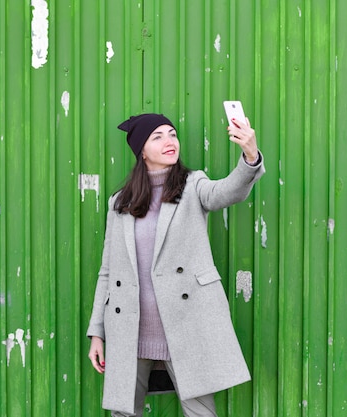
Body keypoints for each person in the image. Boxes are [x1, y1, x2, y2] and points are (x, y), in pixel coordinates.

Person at [86, 113, 265, 416]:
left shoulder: (193, 185)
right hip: (130, 326)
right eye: (157, 137)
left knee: (200, 413)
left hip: (184, 324)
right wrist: (97, 332)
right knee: (123, 413)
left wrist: (250, 154)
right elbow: (108, 271)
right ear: (141, 150)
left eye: (172, 134)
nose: (169, 141)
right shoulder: (119, 202)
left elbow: (227, 191)